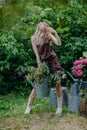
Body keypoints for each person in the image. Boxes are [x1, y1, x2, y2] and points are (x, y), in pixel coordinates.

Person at [25, 22, 63, 115]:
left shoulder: (49, 36)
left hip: (53, 61)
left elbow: (58, 44)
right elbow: (37, 55)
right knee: (37, 84)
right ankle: (28, 107)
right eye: (43, 31)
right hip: (43, 63)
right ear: (39, 30)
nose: (44, 33)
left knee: (58, 83)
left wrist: (55, 33)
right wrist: (39, 68)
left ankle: (59, 107)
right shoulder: (34, 39)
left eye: (45, 31)